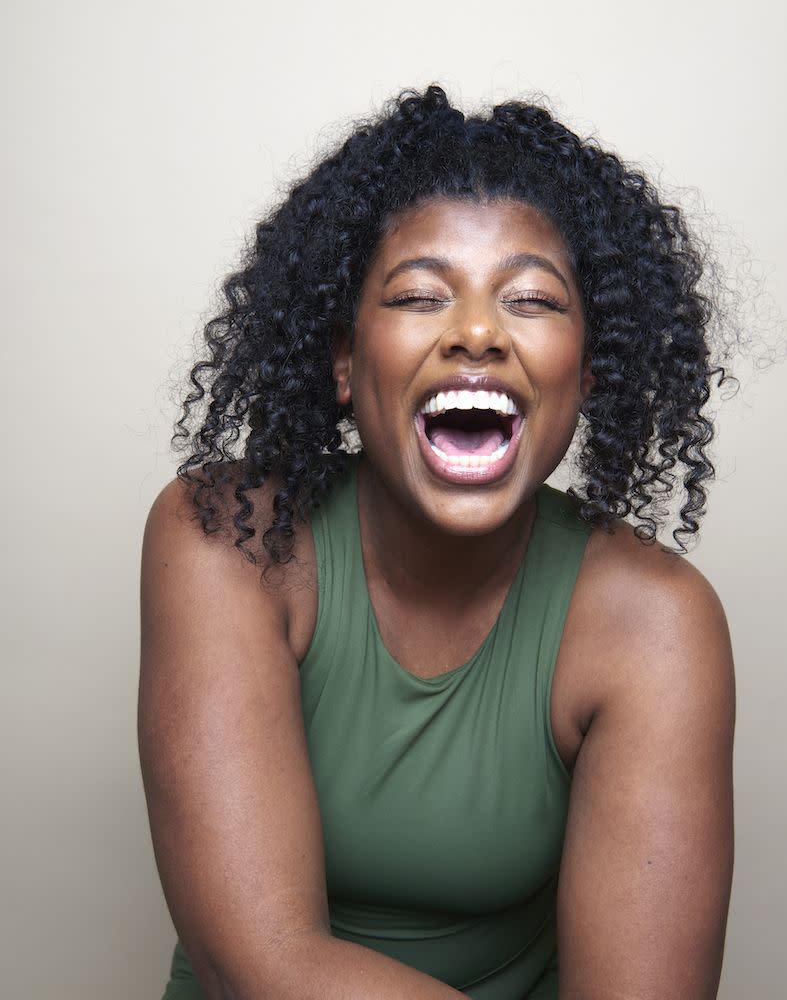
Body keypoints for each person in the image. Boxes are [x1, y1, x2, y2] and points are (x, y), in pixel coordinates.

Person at [139, 85, 735, 1000]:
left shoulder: (653, 622)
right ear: (343, 360)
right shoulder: (227, 540)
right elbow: (260, 961)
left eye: (531, 301)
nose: (476, 334)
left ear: (586, 369)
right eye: (420, 294)